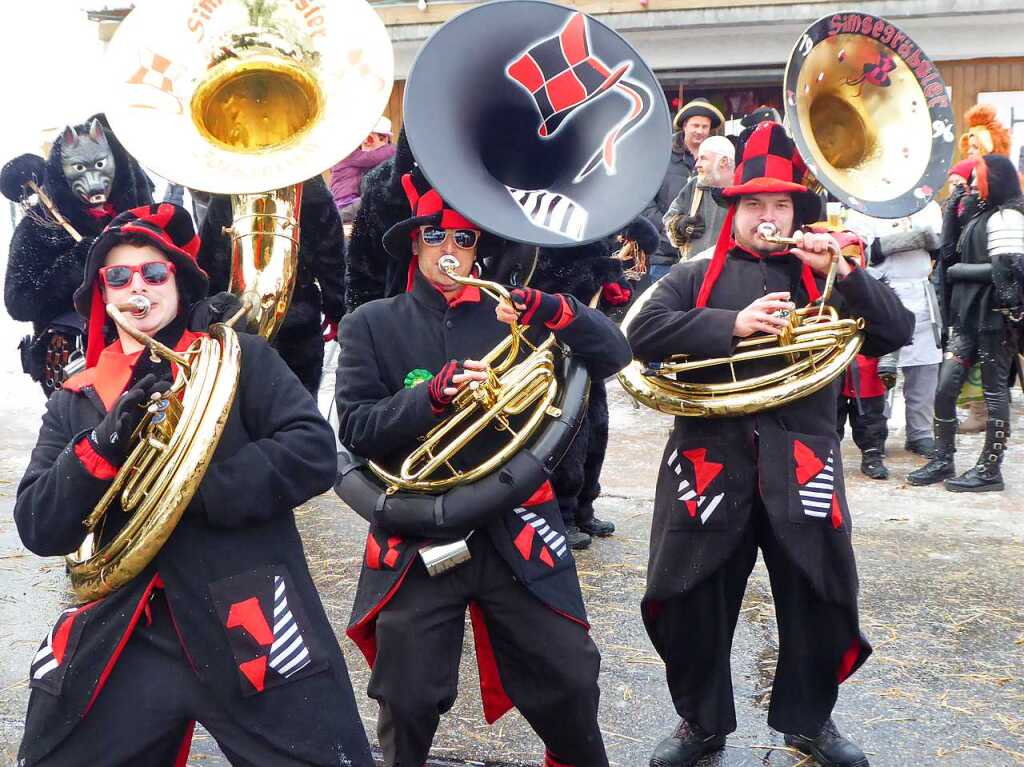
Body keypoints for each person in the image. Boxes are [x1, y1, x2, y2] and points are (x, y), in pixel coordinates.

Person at [13, 203, 373, 766]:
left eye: (155, 274)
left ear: (179, 284)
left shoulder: (239, 358)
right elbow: (37, 524)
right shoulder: (75, 398)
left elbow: (311, 451)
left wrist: (190, 494)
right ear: (102, 295)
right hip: (124, 629)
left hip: (247, 612)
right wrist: (104, 444)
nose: (139, 288)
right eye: (119, 276)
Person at [627, 122, 914, 767]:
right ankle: (701, 724)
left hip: (802, 462)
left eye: (779, 204)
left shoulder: (827, 278)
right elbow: (639, 333)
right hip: (709, 464)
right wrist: (732, 324)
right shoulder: (697, 275)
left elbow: (894, 331)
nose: (767, 215)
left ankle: (810, 723)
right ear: (734, 210)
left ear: (796, 211)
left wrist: (844, 274)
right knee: (692, 598)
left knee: (819, 596)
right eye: (754, 203)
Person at [335, 169, 631, 767]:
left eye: (466, 241)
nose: (452, 252)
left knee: (571, 676)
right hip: (420, 530)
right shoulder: (371, 323)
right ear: (415, 244)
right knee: (408, 694)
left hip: (517, 521)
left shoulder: (514, 316)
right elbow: (357, 428)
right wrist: (431, 398)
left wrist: (556, 309)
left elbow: (615, 355)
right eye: (438, 237)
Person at [3, 115, 153, 395]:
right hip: (74, 363)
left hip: (145, 356)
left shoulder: (141, 213)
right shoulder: (39, 225)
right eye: (79, 168)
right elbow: (19, 301)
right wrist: (77, 263)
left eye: (99, 165)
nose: (94, 181)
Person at [908, 155, 1023, 492]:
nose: (972, 183)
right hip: (968, 318)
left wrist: (960, 273)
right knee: (944, 388)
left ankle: (990, 469)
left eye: (979, 177)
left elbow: (1009, 273)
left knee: (994, 391)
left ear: (997, 179)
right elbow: (949, 254)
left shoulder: (1009, 216)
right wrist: (954, 211)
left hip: (995, 320)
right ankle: (943, 457)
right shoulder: (986, 212)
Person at [198, 175, 346, 395]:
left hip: (237, 324)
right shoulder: (313, 190)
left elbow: (210, 265)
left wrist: (209, 319)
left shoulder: (225, 192)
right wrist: (337, 312)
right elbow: (332, 262)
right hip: (298, 322)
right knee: (298, 402)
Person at [869, 220, 943, 457]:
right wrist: (903, 240)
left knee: (925, 370)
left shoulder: (925, 207)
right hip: (883, 293)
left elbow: (937, 243)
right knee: (878, 374)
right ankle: (874, 435)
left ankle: (920, 433)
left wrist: (925, 237)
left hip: (921, 296)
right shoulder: (865, 208)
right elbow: (867, 249)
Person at [642, 98, 725, 279]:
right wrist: (668, 228)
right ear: (685, 126)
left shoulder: (720, 161)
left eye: (705, 126)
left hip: (704, 255)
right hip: (664, 255)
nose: (700, 131)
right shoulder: (661, 156)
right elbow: (645, 201)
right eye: (695, 125)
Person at [663, 135, 736, 266]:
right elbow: (669, 218)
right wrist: (679, 225)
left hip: (729, 273)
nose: (697, 164)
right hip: (692, 273)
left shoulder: (743, 192)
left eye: (703, 158)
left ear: (724, 162)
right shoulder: (695, 185)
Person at [329, 116, 397, 224]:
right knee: (374, 200)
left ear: (385, 138)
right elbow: (374, 157)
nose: (364, 142)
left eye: (369, 138)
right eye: (362, 139)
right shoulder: (349, 155)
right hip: (346, 204)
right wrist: (395, 149)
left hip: (347, 204)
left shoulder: (356, 158)